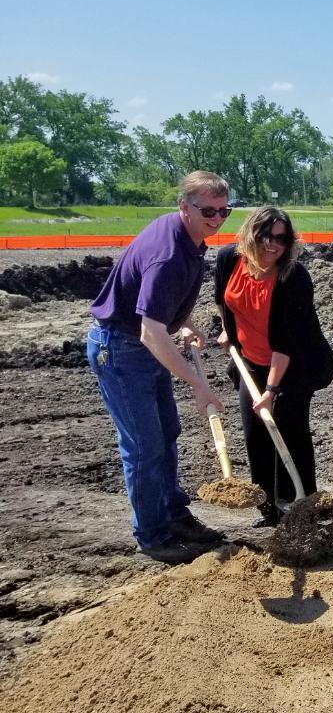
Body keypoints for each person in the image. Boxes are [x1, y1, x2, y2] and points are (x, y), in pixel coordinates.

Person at [87, 171, 230, 564]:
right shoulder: (170, 253)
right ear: (184, 206)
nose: (217, 219)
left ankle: (173, 514)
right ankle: (152, 535)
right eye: (208, 211)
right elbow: (151, 332)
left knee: (167, 431)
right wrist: (197, 386)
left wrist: (181, 319)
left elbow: (150, 302)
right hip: (122, 348)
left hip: (140, 340)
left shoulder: (187, 236)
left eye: (224, 210)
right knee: (144, 445)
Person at [214, 208, 333, 525]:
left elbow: (288, 342)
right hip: (250, 360)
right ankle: (268, 509)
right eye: (266, 236)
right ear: (251, 234)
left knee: (291, 431)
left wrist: (271, 390)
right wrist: (228, 329)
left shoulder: (293, 276)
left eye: (281, 238)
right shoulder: (229, 258)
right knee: (256, 435)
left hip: (294, 365)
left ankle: (303, 505)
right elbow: (222, 298)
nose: (273, 245)